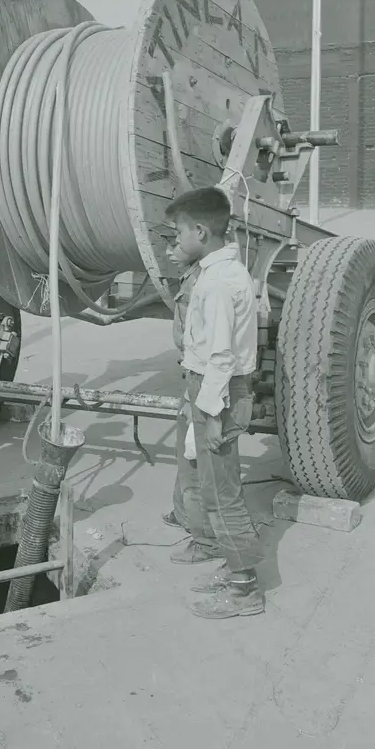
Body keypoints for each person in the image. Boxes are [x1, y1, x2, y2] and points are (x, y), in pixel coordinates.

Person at [164, 186, 263, 620]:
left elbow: (221, 356)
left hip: (218, 393)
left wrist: (212, 416)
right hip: (208, 389)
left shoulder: (219, 283)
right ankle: (225, 559)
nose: (176, 241)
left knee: (223, 495)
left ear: (200, 232)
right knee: (212, 486)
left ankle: (245, 590)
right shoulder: (215, 273)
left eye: (179, 233)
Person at [161, 239, 202, 536]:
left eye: (175, 244)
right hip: (193, 373)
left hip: (199, 377)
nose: (167, 252)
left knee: (192, 455)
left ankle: (197, 529)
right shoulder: (192, 276)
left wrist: (191, 394)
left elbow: (204, 343)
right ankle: (182, 512)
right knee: (186, 447)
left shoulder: (200, 282)